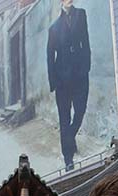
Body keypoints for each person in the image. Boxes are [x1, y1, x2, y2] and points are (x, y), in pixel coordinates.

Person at [47, 0, 91, 171]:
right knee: (64, 119)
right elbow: (50, 57)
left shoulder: (81, 14)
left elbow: (85, 41)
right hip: (62, 80)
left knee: (80, 111)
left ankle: (69, 139)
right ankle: (68, 159)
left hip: (80, 74)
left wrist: (87, 66)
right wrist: (54, 82)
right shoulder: (54, 28)